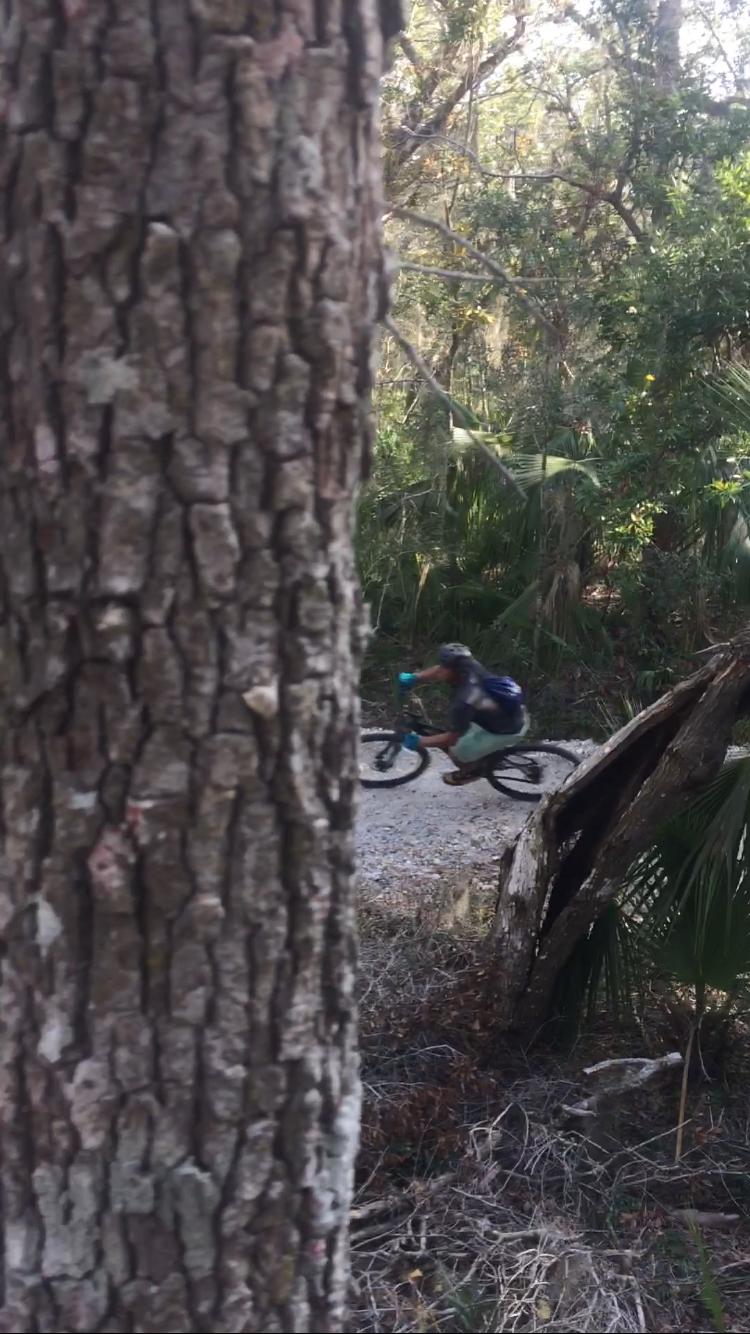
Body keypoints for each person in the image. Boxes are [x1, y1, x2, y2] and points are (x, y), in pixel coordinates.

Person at [398, 643, 529, 786]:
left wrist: (418, 742)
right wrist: (414, 677)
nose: (440, 669)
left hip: (507, 730)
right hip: (514, 713)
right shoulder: (470, 666)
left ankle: (471, 772)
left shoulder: (465, 700)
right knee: (460, 729)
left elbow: (451, 739)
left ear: (454, 670)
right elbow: (439, 671)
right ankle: (484, 755)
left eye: (445, 666)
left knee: (456, 752)